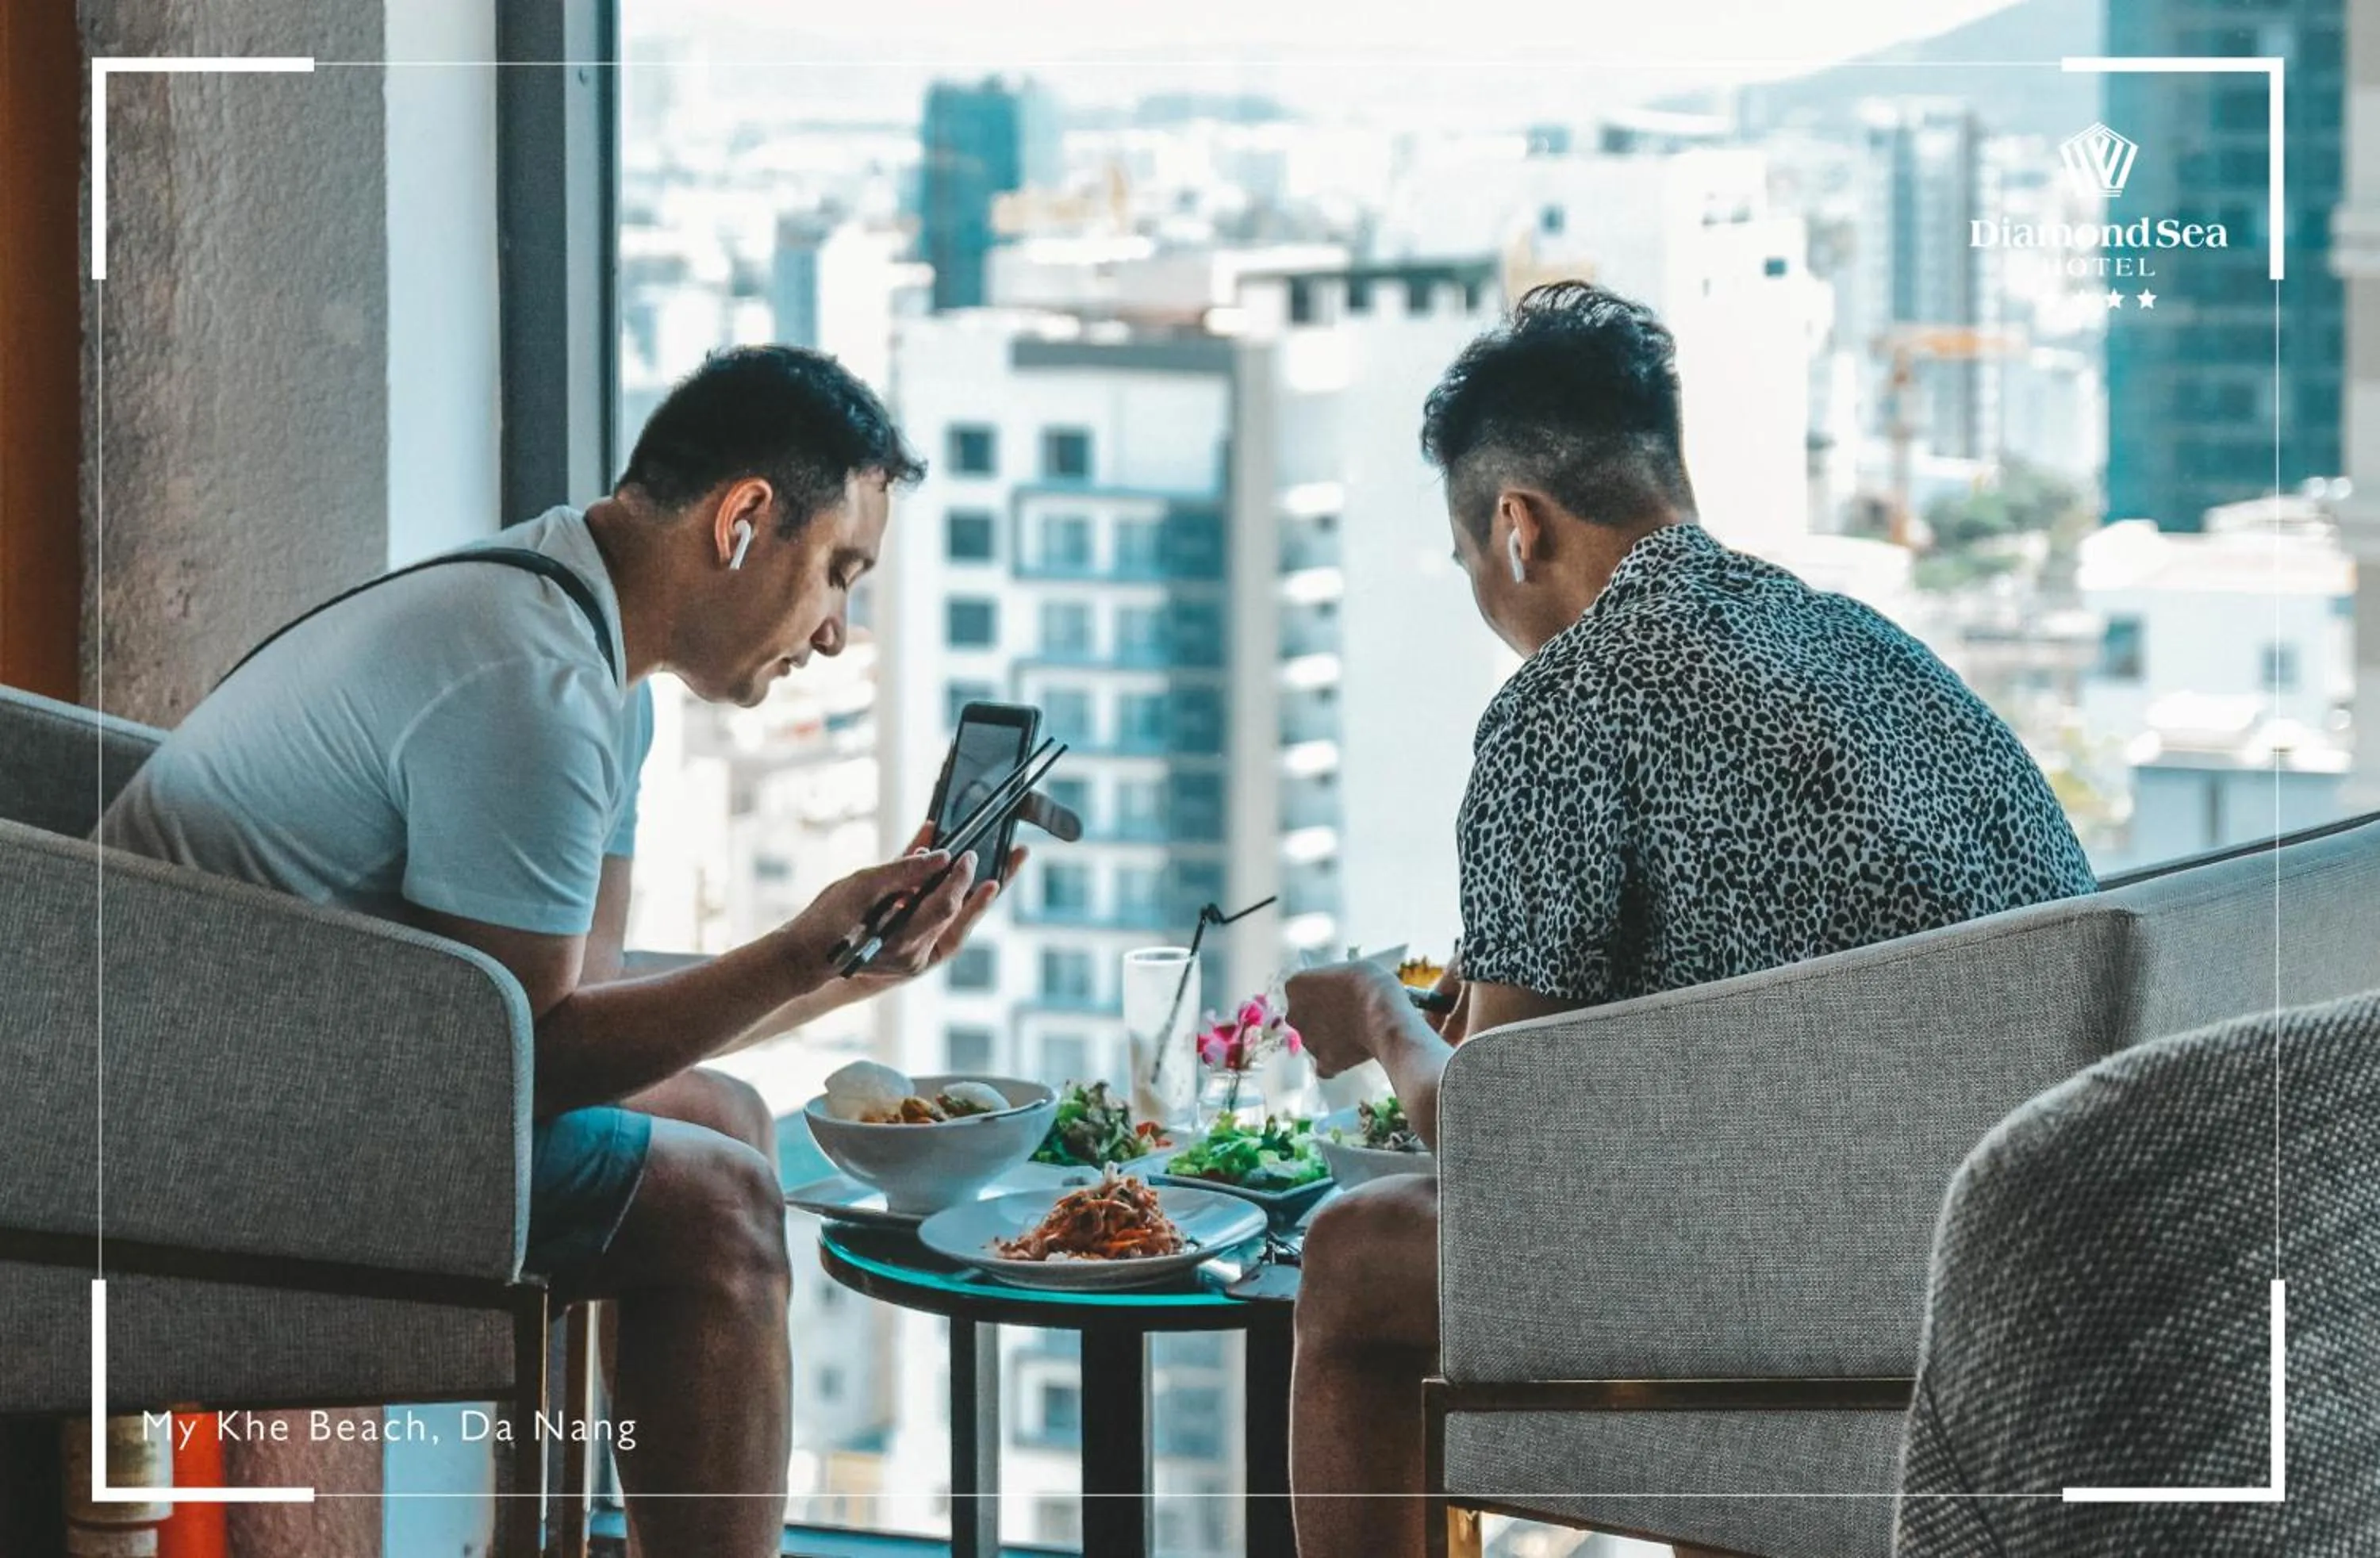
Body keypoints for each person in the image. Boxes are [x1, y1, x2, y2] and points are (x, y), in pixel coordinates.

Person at [98, 346, 1008, 1556]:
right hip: (175, 1121)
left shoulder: (577, 644)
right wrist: (797, 956)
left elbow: (586, 1010)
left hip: (261, 1062)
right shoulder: (532, 681)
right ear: (743, 520)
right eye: (838, 573)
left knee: (728, 1117)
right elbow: (529, 1062)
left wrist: (846, 965)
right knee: (723, 1202)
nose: (836, 634)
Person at [1282, 282, 2097, 1558]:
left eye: (1465, 568)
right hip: (2039, 1258)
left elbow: (1498, 1136)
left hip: (1845, 1286)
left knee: (1348, 1259)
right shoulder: (1874, 649)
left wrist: (1380, 1017)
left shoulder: (1564, 703)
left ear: (1514, 528)